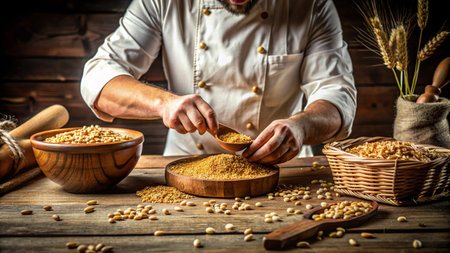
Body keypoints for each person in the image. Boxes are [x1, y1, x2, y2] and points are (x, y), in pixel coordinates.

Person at [80, 0, 357, 165]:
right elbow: (98, 78)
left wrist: (302, 126)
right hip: (186, 168)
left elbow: (337, 94)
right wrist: (163, 103)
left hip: (286, 172)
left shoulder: (312, 5)